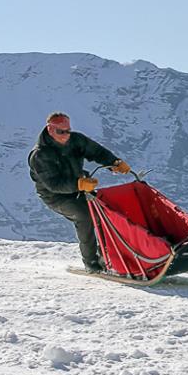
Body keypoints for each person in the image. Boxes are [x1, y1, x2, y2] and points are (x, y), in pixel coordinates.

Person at [28, 112, 131, 272]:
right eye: (61, 132)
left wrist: (114, 162)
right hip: (56, 196)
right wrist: (80, 184)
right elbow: (54, 184)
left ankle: (109, 257)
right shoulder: (40, 155)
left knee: (106, 212)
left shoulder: (76, 140)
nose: (66, 135)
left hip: (79, 187)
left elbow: (96, 151)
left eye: (68, 131)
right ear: (50, 129)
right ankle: (91, 263)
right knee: (85, 217)